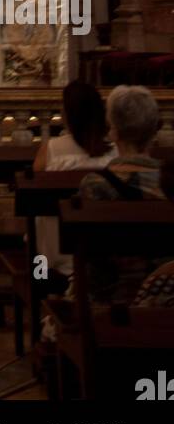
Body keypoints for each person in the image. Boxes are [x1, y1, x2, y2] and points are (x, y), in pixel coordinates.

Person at [77, 85, 170, 304]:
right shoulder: (169, 180)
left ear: (113, 131)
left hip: (114, 304)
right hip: (168, 296)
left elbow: (91, 260)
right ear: (154, 129)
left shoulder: (95, 186)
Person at [33, 81, 116, 284]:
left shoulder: (51, 149)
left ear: (68, 114)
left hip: (54, 248)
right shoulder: (114, 153)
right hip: (99, 247)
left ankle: (40, 279)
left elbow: (32, 193)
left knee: (36, 230)